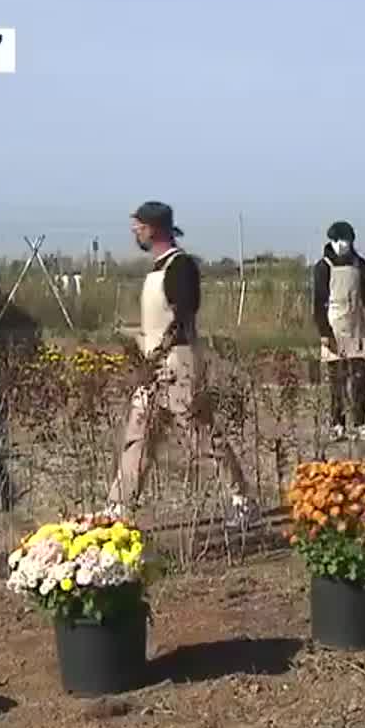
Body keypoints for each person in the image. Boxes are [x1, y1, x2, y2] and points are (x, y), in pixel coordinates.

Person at [106, 201, 257, 527]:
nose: (135, 232)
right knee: (137, 436)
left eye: (140, 226)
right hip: (155, 365)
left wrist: (161, 350)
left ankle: (240, 498)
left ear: (155, 228)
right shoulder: (156, 269)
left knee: (200, 434)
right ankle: (119, 508)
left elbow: (184, 314)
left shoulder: (181, 266)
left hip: (179, 364)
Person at [312, 221, 365, 442]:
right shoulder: (323, 267)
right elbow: (318, 303)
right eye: (340, 240)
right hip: (334, 324)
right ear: (332, 241)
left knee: (360, 377)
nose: (344, 245)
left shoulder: (360, 264)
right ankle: (337, 424)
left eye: (347, 240)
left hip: (356, 323)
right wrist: (324, 331)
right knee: (337, 380)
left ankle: (359, 424)